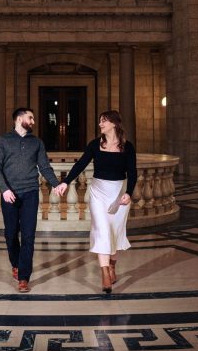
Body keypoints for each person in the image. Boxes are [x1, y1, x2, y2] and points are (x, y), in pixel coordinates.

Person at [54, 110, 136, 294]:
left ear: (114, 124)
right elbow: (80, 164)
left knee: (114, 233)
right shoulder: (94, 145)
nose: (100, 124)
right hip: (99, 192)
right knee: (103, 230)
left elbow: (133, 172)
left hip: (119, 193)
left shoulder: (127, 147)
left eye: (104, 121)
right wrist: (65, 182)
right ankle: (105, 273)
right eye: (100, 121)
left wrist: (129, 193)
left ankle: (112, 266)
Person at [0, 107, 60, 293]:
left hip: (30, 192)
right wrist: (4, 190)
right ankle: (15, 263)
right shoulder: (3, 141)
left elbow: (44, 167)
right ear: (19, 118)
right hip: (10, 194)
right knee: (10, 233)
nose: (33, 122)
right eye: (31, 118)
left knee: (28, 236)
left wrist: (56, 184)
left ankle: (23, 277)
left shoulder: (36, 142)